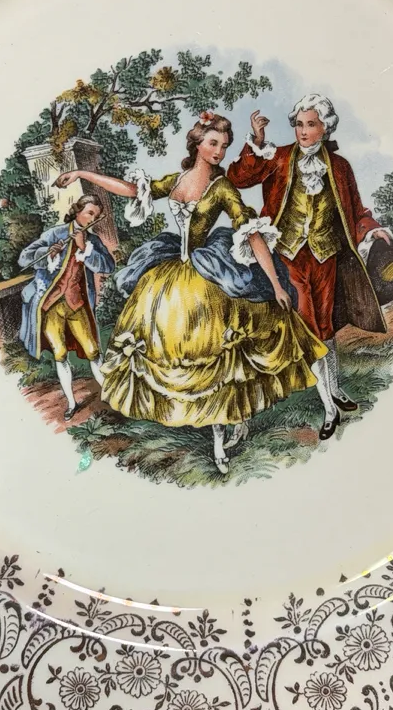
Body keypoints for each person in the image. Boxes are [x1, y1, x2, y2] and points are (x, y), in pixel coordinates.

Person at [54, 113, 328, 474]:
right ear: (197, 144)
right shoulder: (177, 180)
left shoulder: (222, 187)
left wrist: (276, 285)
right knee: (173, 349)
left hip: (207, 274)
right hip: (172, 274)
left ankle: (222, 439)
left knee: (215, 358)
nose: (219, 151)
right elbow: (131, 190)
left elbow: (251, 233)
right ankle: (214, 427)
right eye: (213, 143)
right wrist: (83, 174)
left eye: (224, 146)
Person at [227, 95, 391, 439]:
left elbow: (355, 209)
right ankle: (329, 409)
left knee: (326, 327)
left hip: (326, 256)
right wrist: (256, 140)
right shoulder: (278, 157)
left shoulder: (339, 166)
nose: (303, 131)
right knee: (309, 330)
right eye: (299, 124)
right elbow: (239, 177)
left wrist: (372, 228)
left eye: (311, 124)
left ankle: (334, 389)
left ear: (324, 128)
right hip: (289, 257)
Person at [18, 194, 115, 419]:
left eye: (96, 215)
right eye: (90, 213)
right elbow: (24, 258)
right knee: (60, 354)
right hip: (51, 305)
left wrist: (84, 248)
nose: (93, 219)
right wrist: (47, 253)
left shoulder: (92, 241)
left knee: (93, 351)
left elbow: (108, 266)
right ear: (77, 211)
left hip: (76, 304)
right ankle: (71, 403)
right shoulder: (55, 234)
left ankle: (112, 397)